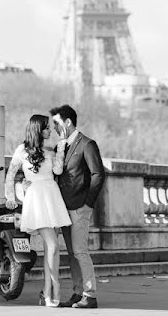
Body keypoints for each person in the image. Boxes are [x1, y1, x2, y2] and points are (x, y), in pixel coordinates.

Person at [4, 114, 71, 307]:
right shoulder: (22, 150)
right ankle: (53, 290)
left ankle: (47, 292)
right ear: (37, 129)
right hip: (36, 200)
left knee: (54, 250)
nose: (50, 131)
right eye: (46, 127)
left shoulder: (50, 150)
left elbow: (58, 171)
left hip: (52, 197)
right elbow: (11, 174)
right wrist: (11, 197)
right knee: (53, 246)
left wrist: (62, 146)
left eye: (50, 127)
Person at [50, 104, 104, 309]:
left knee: (80, 251)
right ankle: (77, 292)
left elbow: (98, 175)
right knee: (72, 253)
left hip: (80, 207)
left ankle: (90, 295)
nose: (54, 127)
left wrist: (87, 204)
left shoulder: (87, 144)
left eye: (56, 123)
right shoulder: (59, 147)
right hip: (63, 209)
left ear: (68, 122)